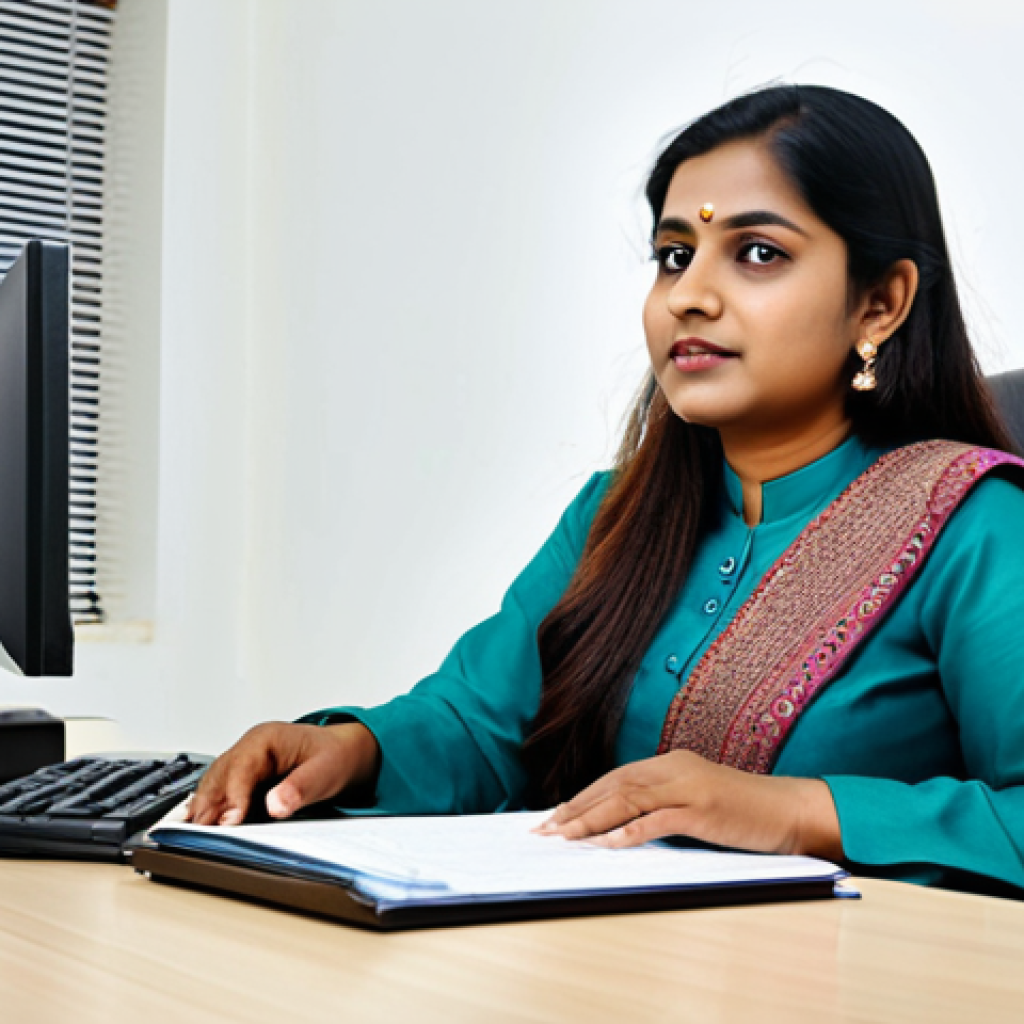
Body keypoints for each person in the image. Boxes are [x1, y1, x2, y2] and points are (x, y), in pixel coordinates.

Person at [189, 84, 1024, 897]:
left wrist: (796, 812)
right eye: (674, 256)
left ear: (880, 303)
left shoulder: (975, 528)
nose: (689, 296)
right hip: (593, 959)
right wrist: (350, 750)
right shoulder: (620, 514)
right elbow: (484, 724)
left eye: (758, 253)